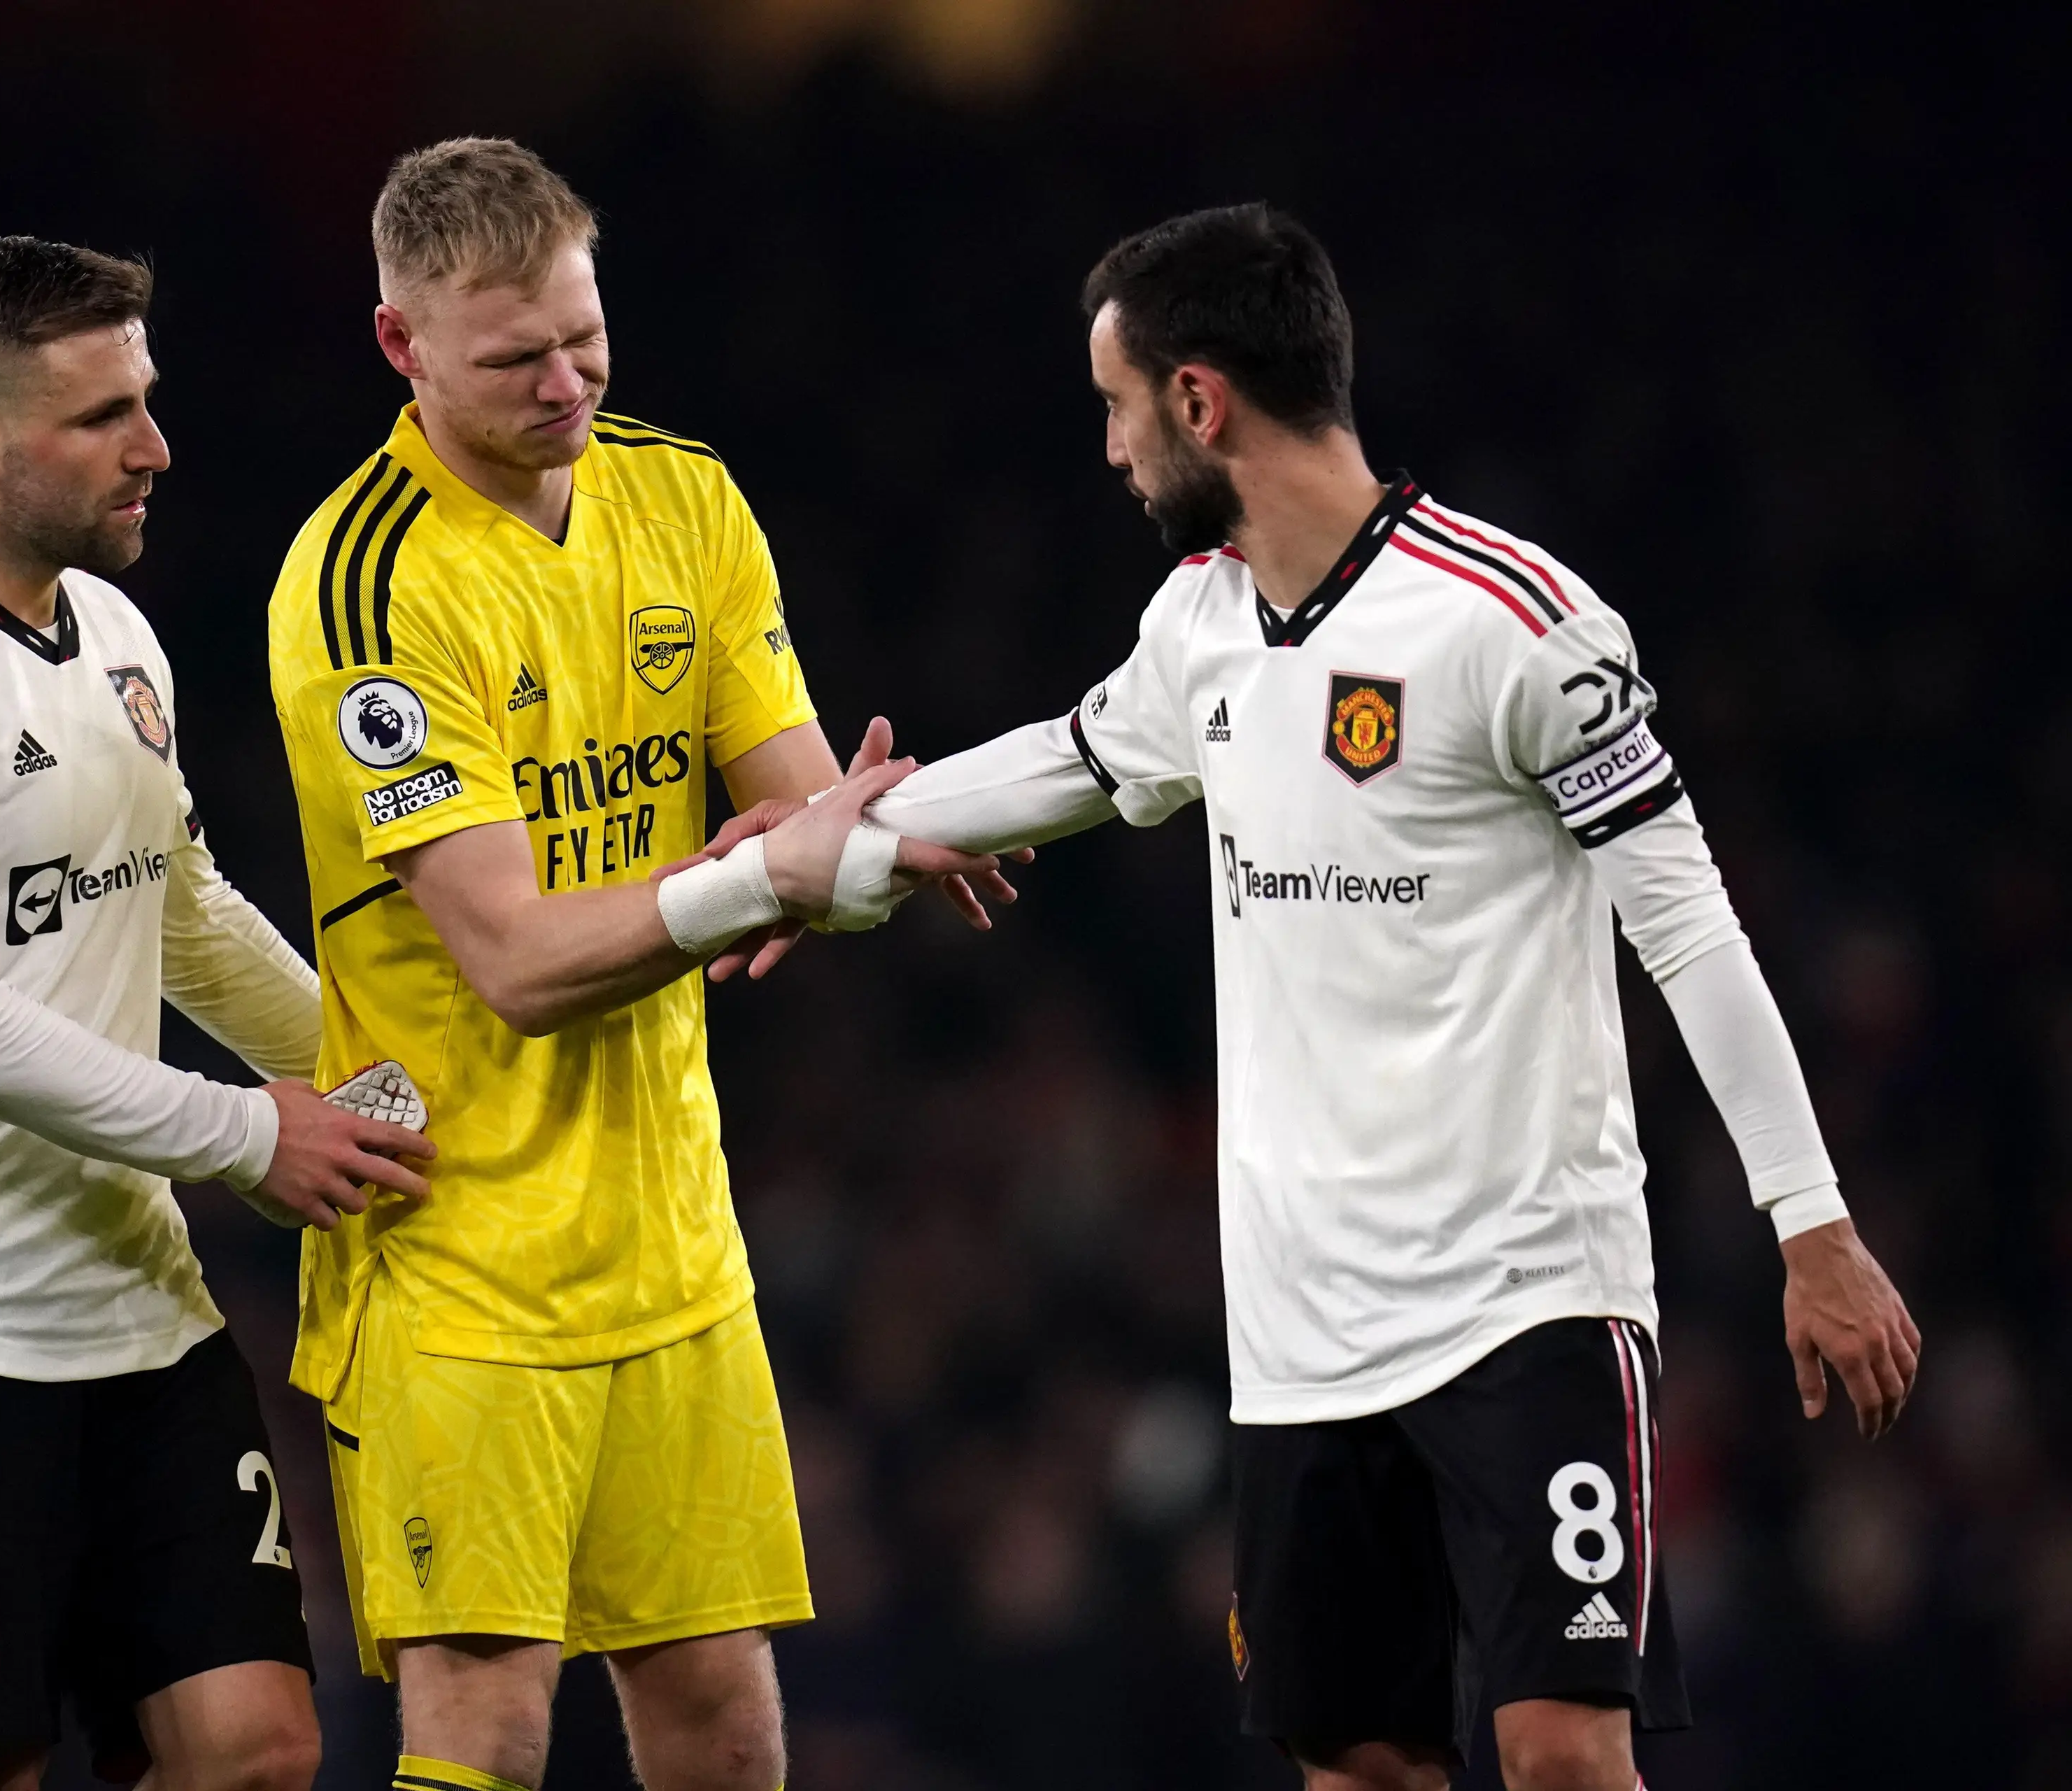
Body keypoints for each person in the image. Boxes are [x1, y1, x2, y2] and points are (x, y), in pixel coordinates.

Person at [712, 204, 1922, 1791]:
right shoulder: (1200, 625)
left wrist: (1810, 1219)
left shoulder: (1521, 623)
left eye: (1118, 408)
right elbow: (1073, 758)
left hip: (1525, 1298)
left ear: (1200, 401)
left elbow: (1689, 927)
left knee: (1562, 1746)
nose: (1110, 451)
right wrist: (830, 836)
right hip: (1301, 1332)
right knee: (1355, 1761)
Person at [262, 139, 1006, 1791]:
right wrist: (763, 880)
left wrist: (888, 843)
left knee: (723, 1724)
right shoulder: (368, 588)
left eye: (586, 336)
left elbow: (802, 810)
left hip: (673, 1238)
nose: (566, 380)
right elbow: (517, 958)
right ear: (403, 346)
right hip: (458, 1246)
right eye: (514, 354)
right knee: (484, 1725)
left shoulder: (682, 495)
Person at [0, 236, 432, 1791]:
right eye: (101, 417)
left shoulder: (117, 637)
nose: (155, 446)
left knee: (261, 1747)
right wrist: (247, 1131)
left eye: (148, 397)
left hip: (137, 1302)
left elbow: (177, 904)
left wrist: (398, 1067)